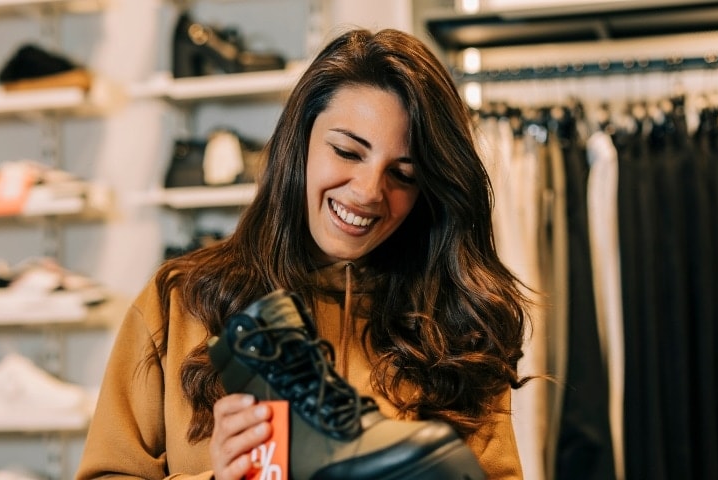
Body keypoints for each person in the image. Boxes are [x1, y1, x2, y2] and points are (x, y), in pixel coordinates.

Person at [77, 27, 529, 480]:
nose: (369, 192)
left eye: (404, 174)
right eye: (347, 151)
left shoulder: (457, 326)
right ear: (302, 141)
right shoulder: (181, 301)